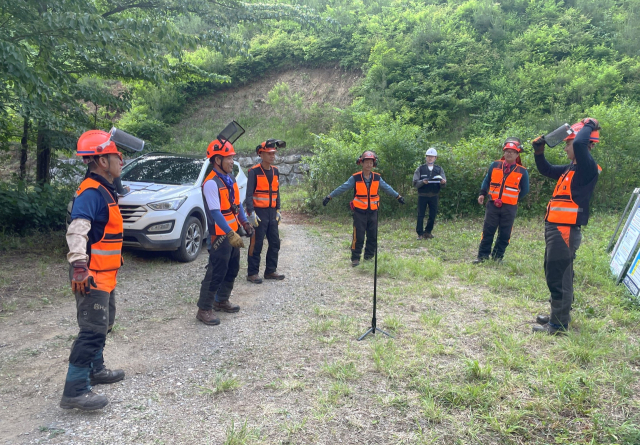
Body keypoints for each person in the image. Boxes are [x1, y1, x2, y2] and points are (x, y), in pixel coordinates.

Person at [61, 130, 127, 411]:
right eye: (116, 156)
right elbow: (77, 229)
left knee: (103, 326)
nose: (121, 160)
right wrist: (78, 267)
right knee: (91, 331)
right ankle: (74, 390)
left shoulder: (104, 189)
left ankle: (95, 369)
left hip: (105, 274)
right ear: (101, 160)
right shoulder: (91, 191)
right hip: (91, 276)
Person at [532, 119, 601, 335]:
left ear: (585, 144)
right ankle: (557, 315)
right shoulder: (571, 168)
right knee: (557, 272)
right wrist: (539, 151)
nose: (565, 147)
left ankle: (558, 326)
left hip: (565, 230)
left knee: (559, 275)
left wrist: (588, 125)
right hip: (556, 228)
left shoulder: (587, 168)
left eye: (568, 143)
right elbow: (546, 169)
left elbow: (580, 144)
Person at [196, 138, 254, 326]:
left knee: (232, 267)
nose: (232, 161)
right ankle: (204, 309)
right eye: (228, 158)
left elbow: (237, 205)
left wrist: (244, 223)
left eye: (231, 157)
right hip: (220, 235)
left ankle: (221, 300)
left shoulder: (230, 180)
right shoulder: (211, 183)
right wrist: (230, 233)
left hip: (233, 231)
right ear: (217, 160)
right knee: (216, 271)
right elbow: (215, 213)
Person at [322, 150, 405, 267]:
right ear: (361, 163)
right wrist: (329, 196)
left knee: (372, 235)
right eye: (366, 162)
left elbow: (387, 188)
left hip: (373, 212)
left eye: (371, 162)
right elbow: (343, 187)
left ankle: (369, 257)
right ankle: (355, 258)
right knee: (359, 235)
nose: (369, 165)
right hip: (359, 212)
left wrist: (398, 196)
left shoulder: (377, 178)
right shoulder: (355, 178)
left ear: (374, 164)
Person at [473, 137, 530, 263]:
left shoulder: (522, 171)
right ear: (504, 152)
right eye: (507, 151)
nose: (509, 153)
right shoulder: (495, 165)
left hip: (509, 207)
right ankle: (482, 257)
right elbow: (487, 180)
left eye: (512, 151)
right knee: (488, 231)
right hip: (493, 204)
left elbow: (525, 190)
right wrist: (482, 193)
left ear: (517, 154)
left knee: (505, 233)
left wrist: (513, 199)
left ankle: (498, 257)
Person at [245, 139, 285, 284]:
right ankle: (252, 273)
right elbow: (249, 194)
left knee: (275, 242)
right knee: (257, 243)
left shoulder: (275, 171)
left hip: (272, 212)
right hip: (259, 213)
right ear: (261, 154)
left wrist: (278, 209)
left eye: (273, 153)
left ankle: (270, 270)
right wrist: (251, 212)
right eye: (269, 153)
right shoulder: (254, 172)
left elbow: (276, 192)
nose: (272, 156)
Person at [412, 147, 446, 240]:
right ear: (426, 157)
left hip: (434, 196)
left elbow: (444, 183)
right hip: (422, 196)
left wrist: (443, 182)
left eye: (432, 157)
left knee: (432, 215)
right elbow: (415, 183)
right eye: (428, 156)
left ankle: (428, 232)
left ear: (435, 158)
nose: (430, 158)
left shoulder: (439, 169)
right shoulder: (420, 169)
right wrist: (423, 182)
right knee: (420, 215)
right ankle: (420, 233)